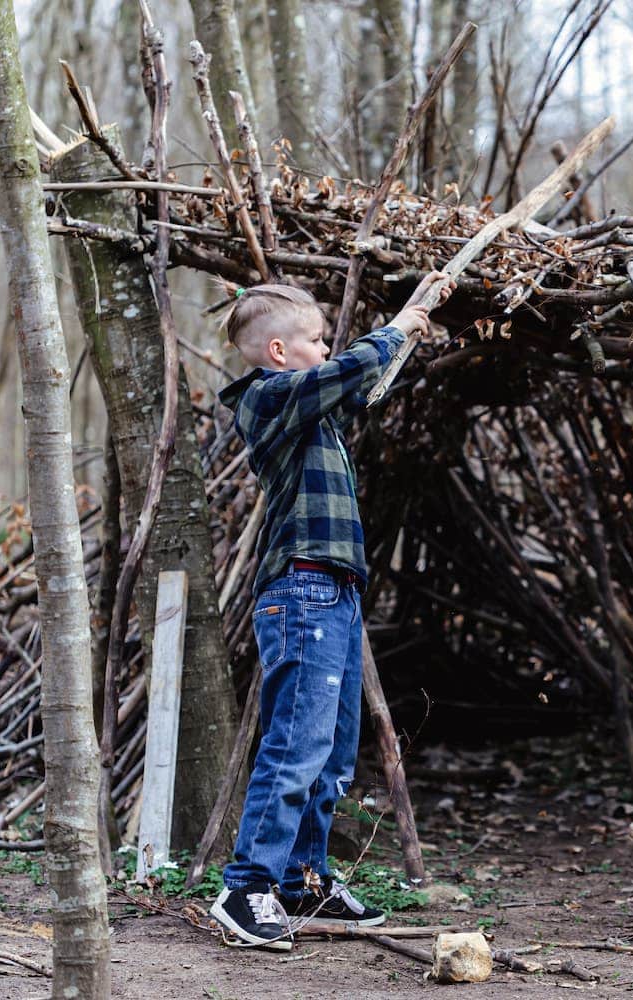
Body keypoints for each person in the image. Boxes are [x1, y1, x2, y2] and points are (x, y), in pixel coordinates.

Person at [209, 273, 452, 950]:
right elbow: (349, 370)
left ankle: (302, 881)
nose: (328, 349)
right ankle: (246, 887)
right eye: (317, 340)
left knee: (334, 751)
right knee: (296, 743)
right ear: (281, 352)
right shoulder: (269, 399)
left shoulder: (313, 409)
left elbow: (360, 381)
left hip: (335, 593)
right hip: (302, 591)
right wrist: (400, 323)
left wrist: (416, 323)